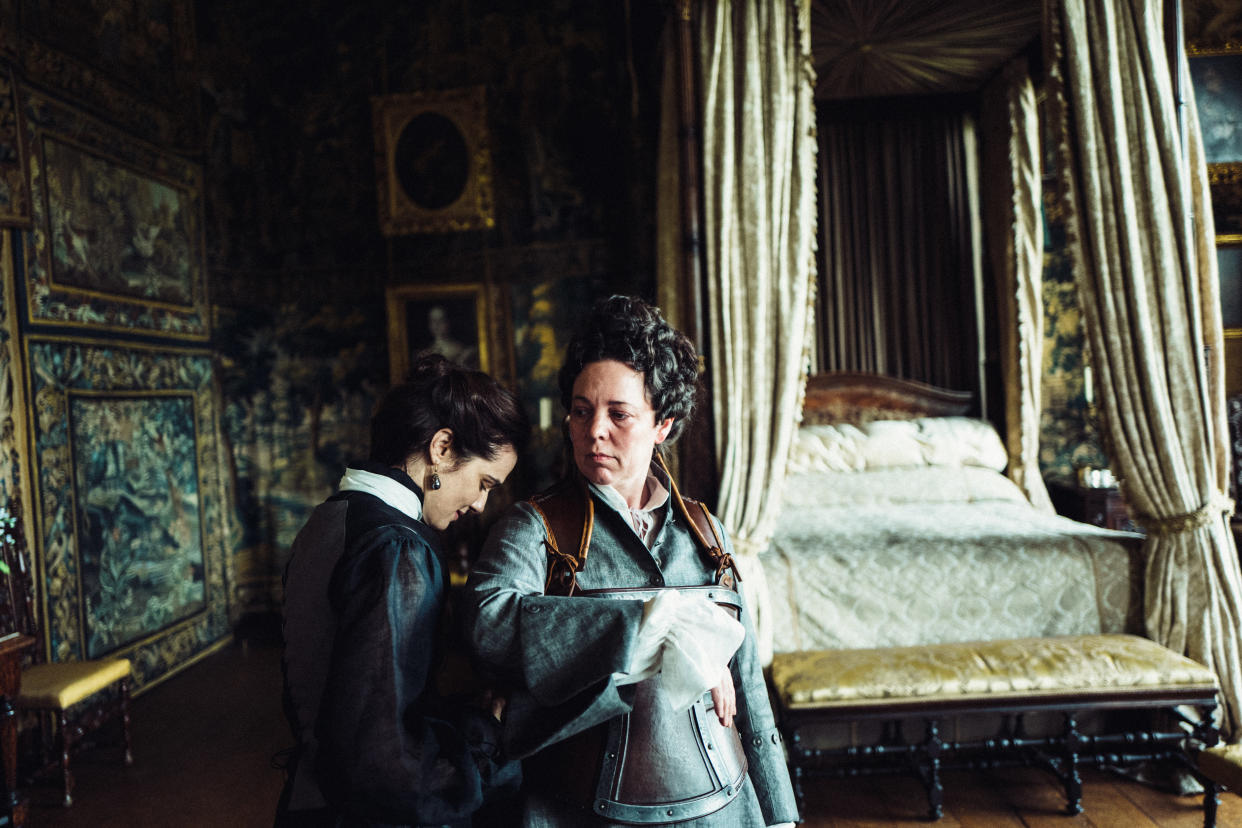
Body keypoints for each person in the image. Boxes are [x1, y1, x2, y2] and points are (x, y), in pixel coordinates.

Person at [464, 296, 799, 827]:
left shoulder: (707, 532)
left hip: (722, 807)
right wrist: (655, 624)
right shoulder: (535, 527)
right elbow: (487, 623)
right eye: (581, 410)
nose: (594, 429)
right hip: (574, 810)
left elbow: (750, 693)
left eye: (618, 414)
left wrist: (779, 814)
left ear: (662, 424)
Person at [276, 354, 527, 827]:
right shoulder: (398, 551)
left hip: (307, 802)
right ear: (443, 448)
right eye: (484, 482)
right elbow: (380, 755)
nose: (479, 503)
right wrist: (489, 752)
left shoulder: (330, 517)